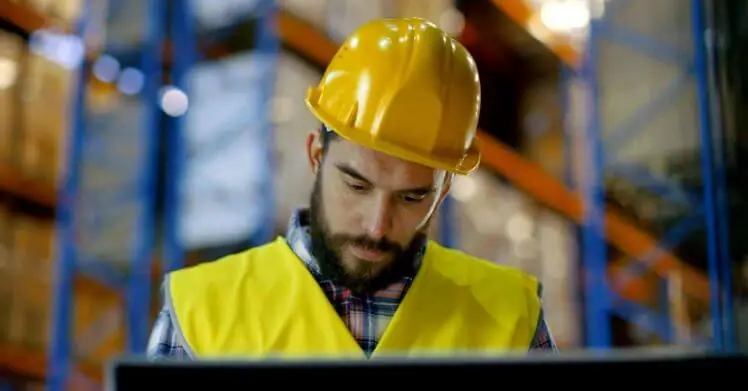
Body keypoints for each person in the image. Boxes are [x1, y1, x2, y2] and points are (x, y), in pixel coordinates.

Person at [147, 17, 556, 361]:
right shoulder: (200, 311)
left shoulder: (510, 317)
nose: (377, 226)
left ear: (445, 189)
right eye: (356, 184)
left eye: (412, 197)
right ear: (315, 154)